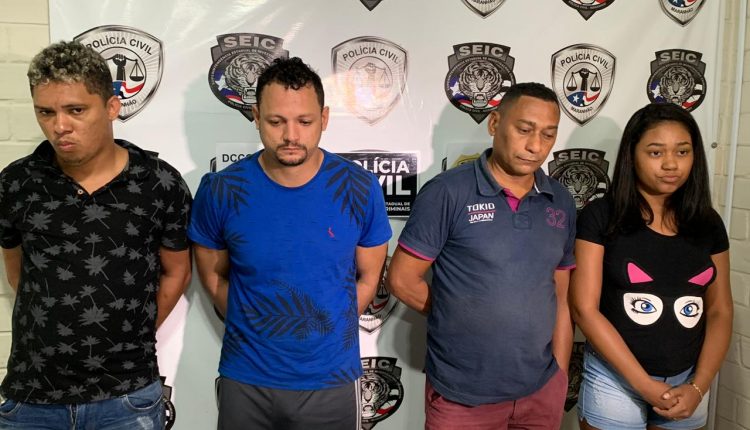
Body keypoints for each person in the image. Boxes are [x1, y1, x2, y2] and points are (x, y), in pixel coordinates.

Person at [188, 57, 391, 430]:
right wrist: (256, 325)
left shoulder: (359, 188)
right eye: (276, 121)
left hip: (331, 380)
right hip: (246, 379)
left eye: (305, 121)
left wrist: (328, 326)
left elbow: (369, 277)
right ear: (255, 116)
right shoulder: (221, 190)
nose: (291, 135)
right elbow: (213, 278)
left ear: (324, 118)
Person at [0, 41, 192, 429]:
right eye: (45, 112)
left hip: (127, 397)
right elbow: (17, 270)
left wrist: (128, 334)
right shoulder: (17, 183)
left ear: (111, 107)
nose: (59, 126)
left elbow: (177, 272)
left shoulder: (159, 183)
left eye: (76, 110)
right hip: (33, 397)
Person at [387, 82, 576, 429]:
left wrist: (559, 377)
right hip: (462, 396)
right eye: (524, 130)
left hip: (540, 392)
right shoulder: (448, 191)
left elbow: (561, 297)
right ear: (494, 123)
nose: (535, 146)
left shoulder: (561, 200)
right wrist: (458, 311)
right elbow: (401, 279)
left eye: (548, 135)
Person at [569, 102, 732, 429]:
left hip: (688, 379)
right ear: (632, 155)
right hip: (614, 378)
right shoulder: (601, 216)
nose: (671, 164)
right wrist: (644, 385)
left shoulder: (708, 223)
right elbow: (584, 308)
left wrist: (698, 386)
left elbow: (720, 310)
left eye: (683, 151)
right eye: (656, 152)